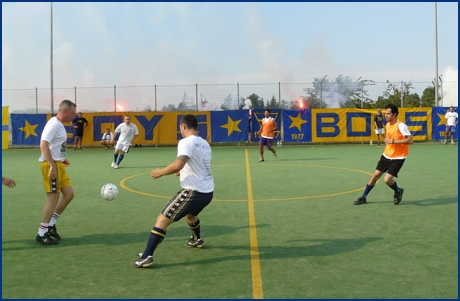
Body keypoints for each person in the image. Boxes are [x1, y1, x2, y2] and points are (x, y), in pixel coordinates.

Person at [131, 115, 214, 268]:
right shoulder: (204, 143)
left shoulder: (185, 142)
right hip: (208, 192)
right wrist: (184, 170)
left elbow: (178, 164)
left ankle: (147, 256)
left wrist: (160, 172)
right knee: (190, 215)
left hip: (193, 192)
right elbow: (200, 164)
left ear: (183, 126)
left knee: (162, 220)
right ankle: (197, 239)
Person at [354, 104, 412, 206]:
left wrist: (392, 141)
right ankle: (363, 197)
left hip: (398, 157)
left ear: (394, 114)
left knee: (387, 180)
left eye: (388, 113)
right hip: (386, 155)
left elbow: (410, 140)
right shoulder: (387, 124)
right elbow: (389, 138)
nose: (386, 115)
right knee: (375, 176)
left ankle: (398, 191)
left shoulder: (401, 125)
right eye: (385, 113)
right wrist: (388, 141)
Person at [36, 99, 76, 244]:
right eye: (72, 113)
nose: (74, 116)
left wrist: (61, 158)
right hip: (50, 165)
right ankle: (41, 233)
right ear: (64, 111)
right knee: (53, 198)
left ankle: (51, 225)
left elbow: (54, 145)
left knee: (69, 194)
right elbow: (43, 144)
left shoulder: (59, 125)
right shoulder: (53, 124)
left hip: (58, 164)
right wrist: (52, 165)